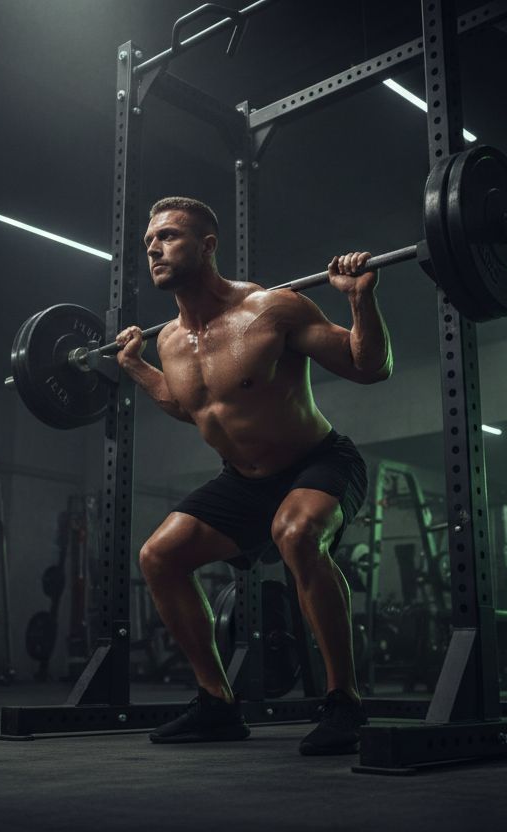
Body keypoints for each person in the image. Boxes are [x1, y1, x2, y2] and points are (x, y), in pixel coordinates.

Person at [117, 196, 391, 755]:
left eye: (168, 237)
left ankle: (345, 704)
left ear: (207, 246)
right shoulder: (167, 341)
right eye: (150, 242)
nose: (154, 249)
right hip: (243, 481)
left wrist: (362, 303)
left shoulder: (272, 310)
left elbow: (370, 368)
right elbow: (190, 404)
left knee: (297, 534)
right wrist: (137, 369)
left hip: (319, 461)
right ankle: (216, 703)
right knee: (159, 557)